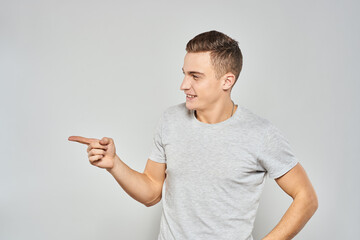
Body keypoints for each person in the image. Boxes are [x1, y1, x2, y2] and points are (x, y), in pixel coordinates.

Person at [68, 30, 318, 240]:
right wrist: (114, 165)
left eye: (195, 76)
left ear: (226, 81)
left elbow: (306, 198)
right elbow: (152, 193)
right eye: (184, 73)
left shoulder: (260, 134)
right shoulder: (170, 120)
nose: (184, 85)